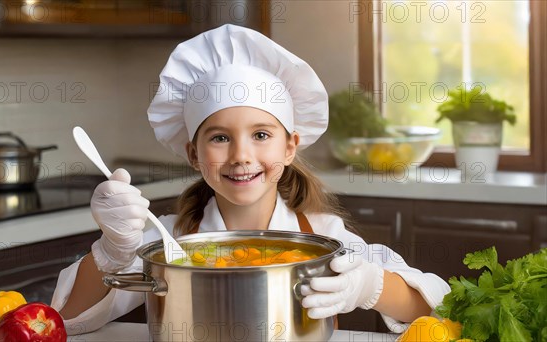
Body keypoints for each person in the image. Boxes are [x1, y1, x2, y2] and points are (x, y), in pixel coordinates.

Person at [51, 24, 449, 335]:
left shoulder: (325, 238)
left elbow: (435, 311)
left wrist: (370, 286)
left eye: (261, 135)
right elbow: (64, 321)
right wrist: (114, 251)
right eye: (220, 137)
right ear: (193, 153)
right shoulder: (167, 244)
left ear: (290, 147)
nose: (241, 156)